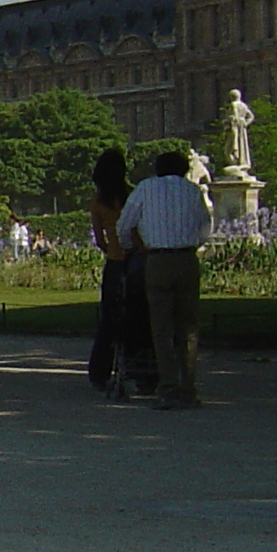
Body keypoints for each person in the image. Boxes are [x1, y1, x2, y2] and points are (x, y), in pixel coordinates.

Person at [115, 151, 212, 410]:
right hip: (186, 258)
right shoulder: (192, 190)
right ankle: (188, 386)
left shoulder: (146, 188)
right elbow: (205, 226)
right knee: (188, 326)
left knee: (161, 326)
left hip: (157, 259)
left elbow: (125, 224)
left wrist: (130, 247)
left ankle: (168, 386)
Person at [85, 148, 158, 396]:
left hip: (115, 260)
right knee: (138, 319)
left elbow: (99, 238)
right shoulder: (132, 194)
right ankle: (141, 371)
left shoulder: (98, 200)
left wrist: (112, 249)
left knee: (109, 320)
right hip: (137, 258)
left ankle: (100, 372)